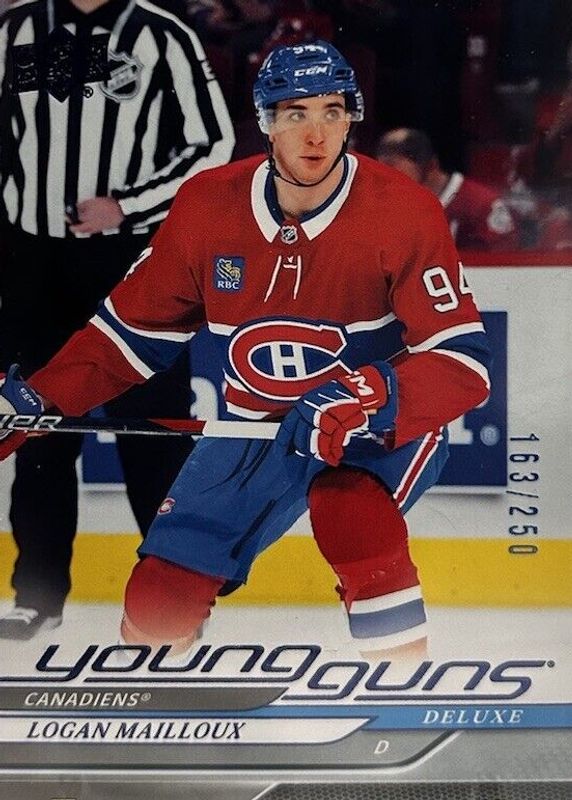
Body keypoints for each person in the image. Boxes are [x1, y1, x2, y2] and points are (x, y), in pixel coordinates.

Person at [0, 41, 490, 660]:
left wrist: (368, 395)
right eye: (296, 114)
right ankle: (145, 688)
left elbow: (463, 360)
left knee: (350, 510)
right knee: (159, 598)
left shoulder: (402, 210)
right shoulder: (208, 205)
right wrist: (40, 398)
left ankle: (398, 678)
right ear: (266, 122)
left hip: (370, 423)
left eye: (332, 112)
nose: (316, 134)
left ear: (351, 118)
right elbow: (126, 338)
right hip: (253, 425)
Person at [0, 0, 235, 640]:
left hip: (132, 261)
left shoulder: (160, 34)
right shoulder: (15, 30)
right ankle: (37, 594)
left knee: (152, 433)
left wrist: (128, 205)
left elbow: (213, 144)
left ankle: (171, 600)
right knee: (38, 428)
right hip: (33, 265)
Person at [377, 127, 519, 251]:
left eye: (396, 173)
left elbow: (505, 262)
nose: (389, 182)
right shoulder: (386, 205)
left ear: (431, 166)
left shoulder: (480, 204)